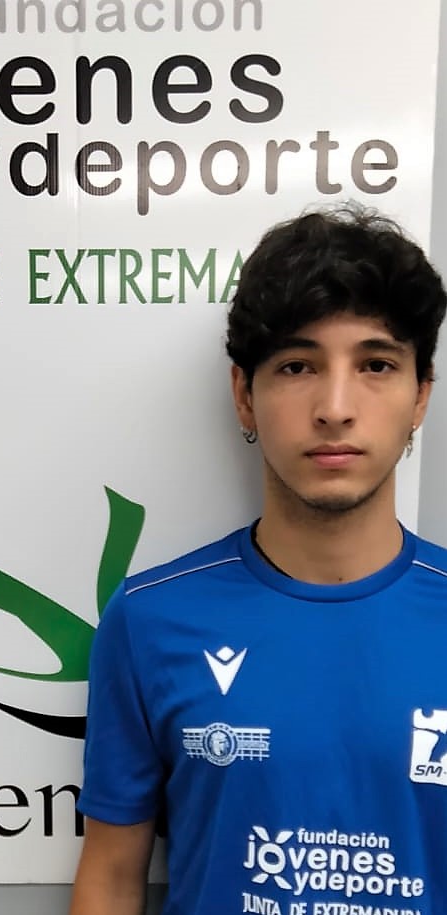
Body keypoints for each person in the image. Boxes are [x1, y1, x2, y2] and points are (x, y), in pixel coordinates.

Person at [69, 203, 447, 915]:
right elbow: (112, 878)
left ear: (420, 396)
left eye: (376, 365)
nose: (335, 407)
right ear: (245, 395)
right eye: (298, 365)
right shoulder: (150, 620)